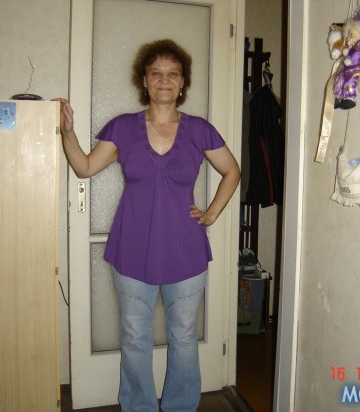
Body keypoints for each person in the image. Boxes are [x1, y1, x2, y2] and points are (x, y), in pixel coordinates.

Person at [55, 39, 240, 412]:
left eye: (173, 74)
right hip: (132, 250)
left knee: (183, 339)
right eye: (156, 73)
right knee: (135, 339)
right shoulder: (122, 128)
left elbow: (232, 171)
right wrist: (67, 132)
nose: (164, 80)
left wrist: (211, 213)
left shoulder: (200, 130)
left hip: (186, 253)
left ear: (183, 82)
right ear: (144, 80)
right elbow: (85, 168)